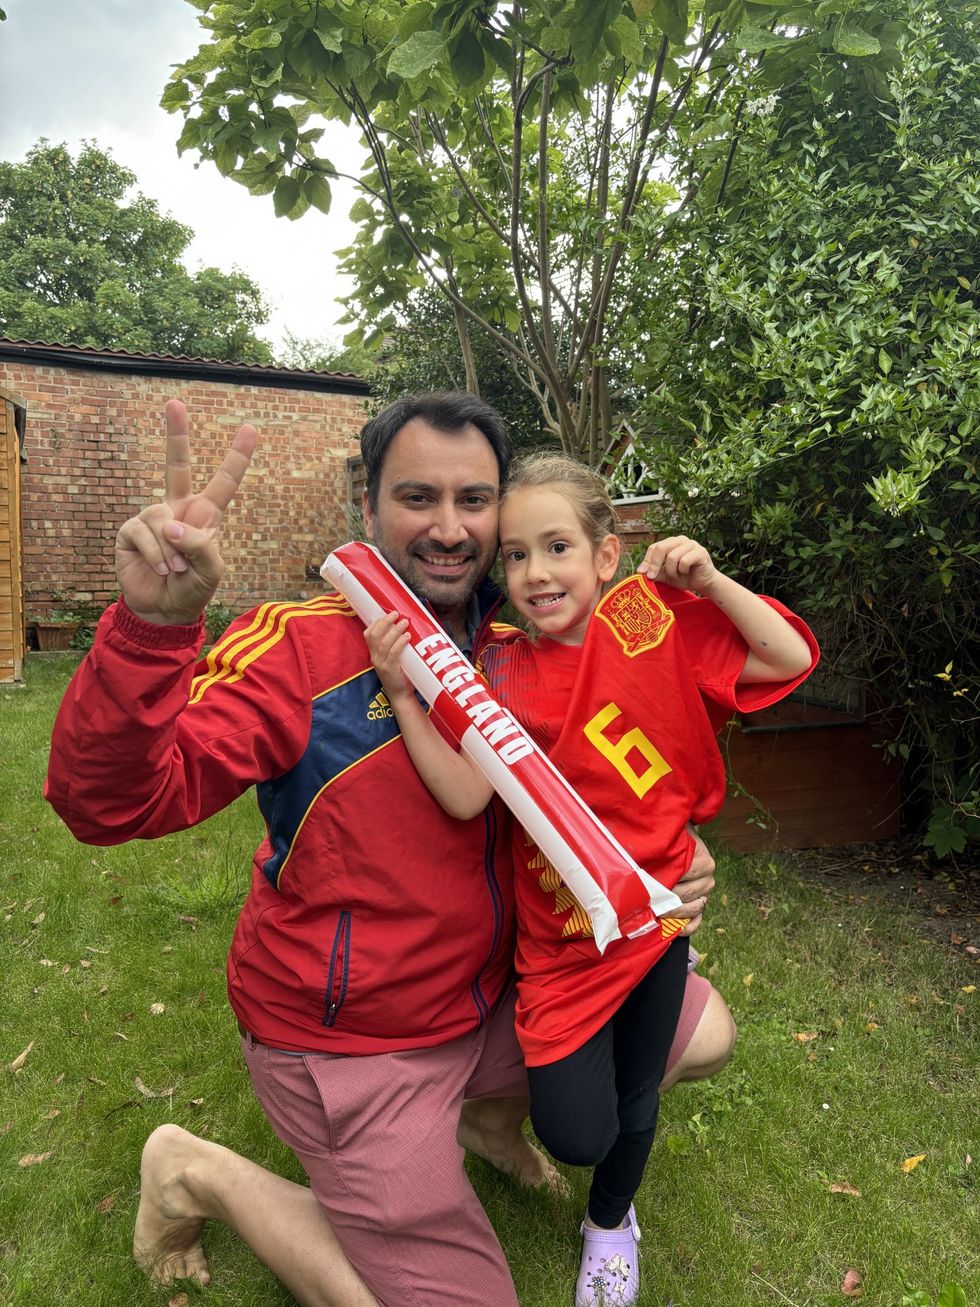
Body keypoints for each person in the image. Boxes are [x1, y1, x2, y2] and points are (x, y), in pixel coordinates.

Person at [46, 397, 725, 1307]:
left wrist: (672, 856)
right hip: (357, 1046)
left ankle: (485, 1121)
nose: (449, 528)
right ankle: (191, 1171)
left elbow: (617, 766)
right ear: (368, 508)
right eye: (418, 496)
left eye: (474, 500)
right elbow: (111, 804)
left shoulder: (527, 633)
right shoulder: (296, 648)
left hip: (495, 997)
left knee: (702, 1029)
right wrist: (151, 627)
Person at [364, 451, 818, 1306]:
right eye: (519, 555)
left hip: (655, 927)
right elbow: (466, 792)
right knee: (576, 1130)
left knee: (639, 1094)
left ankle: (611, 1224)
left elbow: (786, 653)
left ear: (605, 556)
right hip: (561, 947)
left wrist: (713, 582)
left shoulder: (653, 627)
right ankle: (562, 1154)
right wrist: (406, 692)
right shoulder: (496, 667)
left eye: (558, 547)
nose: (536, 572)